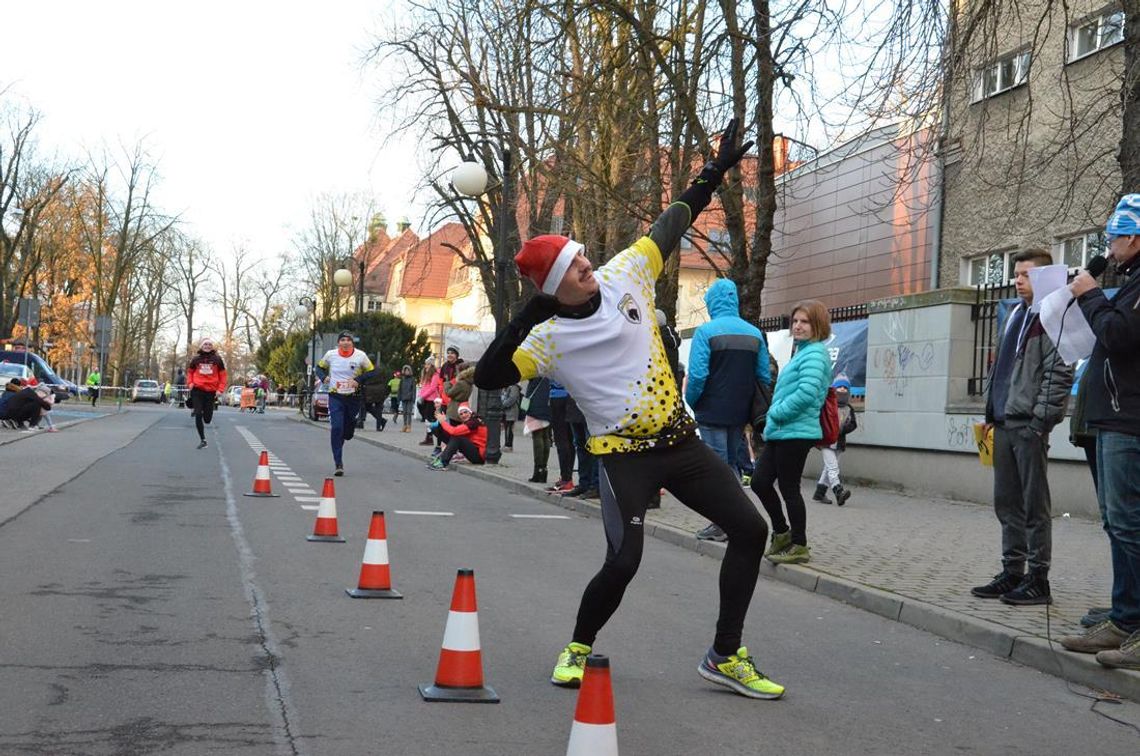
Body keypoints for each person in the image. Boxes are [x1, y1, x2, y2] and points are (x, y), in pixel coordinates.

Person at [474, 119, 784, 700]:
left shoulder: (626, 273)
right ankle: (577, 647)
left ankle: (724, 653)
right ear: (554, 286)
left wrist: (713, 172)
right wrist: (521, 320)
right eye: (577, 268)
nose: (590, 269)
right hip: (623, 458)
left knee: (750, 529)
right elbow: (490, 377)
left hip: (681, 443)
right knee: (624, 561)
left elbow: (674, 220)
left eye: (588, 262)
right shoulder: (544, 339)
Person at [1060, 194, 1140, 669]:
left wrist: (1090, 294)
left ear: (1134, 237)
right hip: (1114, 416)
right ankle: (1125, 618)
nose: (1109, 247)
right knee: (1118, 523)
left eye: (1114, 237)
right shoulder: (1130, 283)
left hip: (1130, 420)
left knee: (1131, 525)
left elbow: (1120, 337)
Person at [971, 249, 1074, 606]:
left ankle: (1038, 578)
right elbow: (1000, 368)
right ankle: (1012, 571)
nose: (1018, 280)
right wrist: (989, 409)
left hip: (1028, 424)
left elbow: (1059, 373)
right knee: (1007, 502)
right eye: (1016, 274)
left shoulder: (1052, 317)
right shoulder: (1016, 313)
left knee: (1033, 505)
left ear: (1046, 278)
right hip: (1001, 422)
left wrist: (1040, 420)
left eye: (1026, 274)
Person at [686, 278, 771, 542]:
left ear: (711, 302)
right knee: (731, 464)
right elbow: (763, 376)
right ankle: (737, 519)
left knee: (716, 468)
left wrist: (693, 401)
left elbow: (697, 375)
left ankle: (726, 522)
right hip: (740, 412)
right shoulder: (754, 333)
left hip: (711, 410)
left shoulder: (706, 332)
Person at [752, 300, 832, 565]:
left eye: (805, 321)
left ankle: (799, 544)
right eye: (795, 321)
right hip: (783, 432)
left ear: (817, 325)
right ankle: (782, 533)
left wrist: (776, 412)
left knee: (789, 488)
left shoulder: (815, 354)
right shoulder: (803, 352)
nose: (797, 326)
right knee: (759, 482)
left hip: (796, 432)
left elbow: (807, 393)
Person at [314, 331, 380, 476]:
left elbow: (373, 372)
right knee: (336, 428)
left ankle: (344, 436)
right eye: (342, 340)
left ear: (352, 343)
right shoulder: (330, 355)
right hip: (335, 396)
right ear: (338, 342)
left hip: (353, 397)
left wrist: (358, 380)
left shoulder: (360, 356)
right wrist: (323, 376)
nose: (345, 342)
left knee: (347, 433)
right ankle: (338, 463)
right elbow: (318, 368)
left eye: (348, 340)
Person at [812, 374, 858, 506]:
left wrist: (843, 429)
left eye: (845, 387)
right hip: (826, 442)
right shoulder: (828, 405)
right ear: (834, 389)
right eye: (839, 387)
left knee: (828, 468)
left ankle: (819, 494)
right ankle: (839, 492)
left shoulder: (849, 409)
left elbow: (853, 424)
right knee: (833, 468)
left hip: (839, 443)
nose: (842, 389)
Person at [187, 338, 227, 449]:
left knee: (207, 419)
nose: (207, 346)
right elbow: (190, 373)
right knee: (198, 414)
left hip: (211, 392)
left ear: (212, 347)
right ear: (201, 346)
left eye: (210, 344)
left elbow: (223, 376)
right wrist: (190, 383)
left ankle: (204, 409)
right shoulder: (195, 359)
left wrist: (220, 389)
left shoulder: (217, 360)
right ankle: (203, 440)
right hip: (197, 390)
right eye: (205, 344)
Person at [427, 402, 487, 470]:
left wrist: (443, 422)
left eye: (465, 412)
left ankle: (442, 462)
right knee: (437, 429)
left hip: (480, 456)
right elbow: (453, 431)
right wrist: (442, 423)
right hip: (474, 452)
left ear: (470, 412)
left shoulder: (474, 422)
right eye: (461, 414)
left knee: (457, 437)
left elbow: (454, 431)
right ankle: (442, 457)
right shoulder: (470, 421)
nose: (464, 415)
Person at [564, 394, 598, 498]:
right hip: (574, 408)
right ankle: (584, 483)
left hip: (590, 409)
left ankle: (594, 485)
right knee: (580, 447)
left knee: (592, 448)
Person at [547, 380, 575, 493]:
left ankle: (566, 478)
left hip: (557, 396)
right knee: (569, 439)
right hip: (571, 396)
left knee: (561, 439)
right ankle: (567, 477)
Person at [522, 377, 552, 483]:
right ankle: (544, 470)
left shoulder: (534, 373)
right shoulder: (549, 375)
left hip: (535, 407)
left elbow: (529, 392)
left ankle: (538, 470)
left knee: (537, 437)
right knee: (546, 437)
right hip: (548, 406)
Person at [417, 364, 443, 442]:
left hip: (431, 400)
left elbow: (432, 388)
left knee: (430, 420)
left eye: (428, 367)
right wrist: (421, 396)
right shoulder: (426, 376)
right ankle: (429, 437)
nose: (426, 368)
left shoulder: (435, 375)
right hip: (425, 399)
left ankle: (434, 437)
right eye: (425, 367)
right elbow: (424, 387)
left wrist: (423, 396)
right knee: (427, 419)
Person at [501, 382, 522, 451]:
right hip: (506, 410)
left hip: (512, 410)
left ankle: (509, 445)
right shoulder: (507, 386)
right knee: (506, 427)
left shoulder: (514, 387)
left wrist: (503, 405)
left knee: (509, 428)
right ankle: (506, 443)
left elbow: (512, 398)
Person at [397, 364, 417, 432]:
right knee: (404, 412)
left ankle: (409, 426)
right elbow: (399, 389)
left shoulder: (412, 379)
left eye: (408, 370)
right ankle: (404, 425)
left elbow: (414, 389)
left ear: (410, 371)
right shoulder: (402, 379)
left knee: (409, 412)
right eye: (405, 370)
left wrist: (414, 398)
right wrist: (398, 398)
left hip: (410, 398)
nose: (406, 372)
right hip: (403, 397)